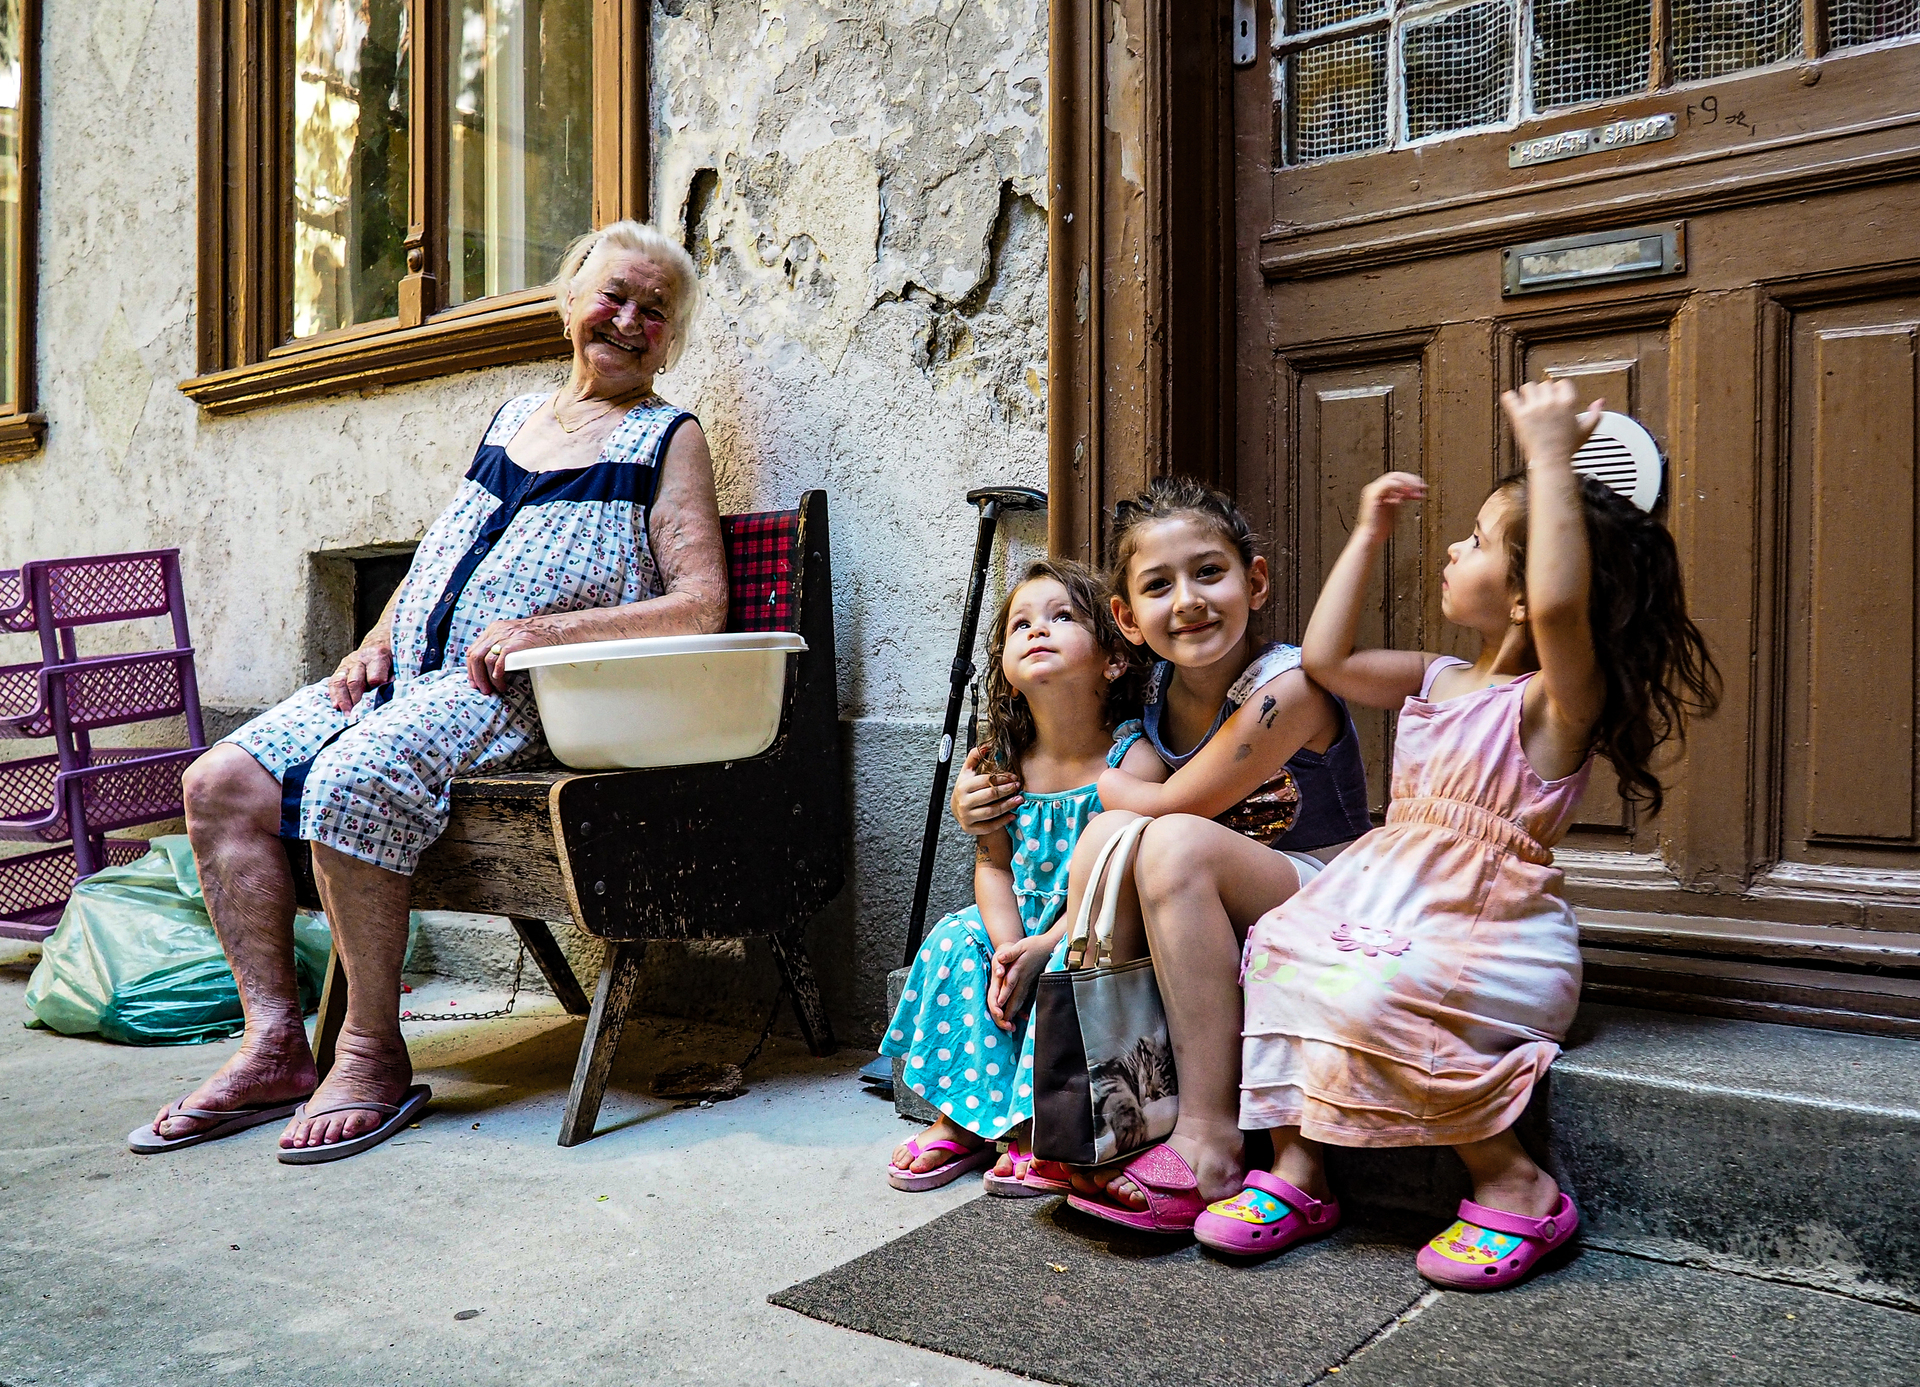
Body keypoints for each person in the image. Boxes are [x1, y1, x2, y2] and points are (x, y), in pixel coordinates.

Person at [131, 221, 728, 1163]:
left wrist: (545, 632)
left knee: (349, 781)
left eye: (654, 311)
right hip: (404, 678)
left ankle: (370, 1050)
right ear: (570, 300)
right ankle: (277, 1044)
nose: (627, 320)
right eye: (611, 295)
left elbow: (700, 606)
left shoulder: (668, 436)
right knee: (220, 781)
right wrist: (371, 643)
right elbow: (434, 561)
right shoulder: (512, 417)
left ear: (670, 339)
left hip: (516, 697)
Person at [1196, 380, 1718, 1290]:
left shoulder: (1557, 702)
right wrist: (1366, 534)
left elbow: (1561, 612)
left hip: (1487, 926)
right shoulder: (1438, 679)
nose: (1453, 546)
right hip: (1389, 892)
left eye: (1478, 540)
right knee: (1280, 945)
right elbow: (1324, 661)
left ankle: (1513, 1181)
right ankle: (1299, 1167)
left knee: (1379, 984)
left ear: (1522, 597)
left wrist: (1551, 459)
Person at [960, 476, 1374, 1231]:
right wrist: (984, 792)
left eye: (1209, 573)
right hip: (1210, 901)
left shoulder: (1288, 689)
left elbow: (1169, 805)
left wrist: (1109, 789)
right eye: (1159, 584)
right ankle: (1115, 1110)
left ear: (1254, 580)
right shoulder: (1152, 686)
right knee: (1115, 838)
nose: (1187, 600)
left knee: (1163, 836)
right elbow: (1065, 728)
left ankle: (1211, 1138)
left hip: (1328, 892)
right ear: (1127, 617)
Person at [884, 559, 1164, 1192]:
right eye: (1021, 624)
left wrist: (1041, 949)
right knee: (958, 941)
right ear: (1006, 673)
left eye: (1062, 617)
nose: (1039, 630)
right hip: (1020, 923)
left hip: (1092, 925)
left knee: (1066, 966)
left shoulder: (1132, 759)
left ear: (1113, 660)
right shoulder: (1002, 764)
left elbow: (1110, 886)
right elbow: (993, 864)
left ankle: (1040, 1127)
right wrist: (1009, 950)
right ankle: (965, 1121)